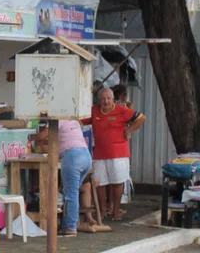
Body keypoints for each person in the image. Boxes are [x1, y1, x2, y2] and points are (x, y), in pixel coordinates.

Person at [87, 86, 146, 221]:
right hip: (100, 153)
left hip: (119, 152)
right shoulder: (94, 111)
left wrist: (129, 131)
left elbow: (142, 118)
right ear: (99, 100)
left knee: (117, 181)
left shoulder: (122, 110)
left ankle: (116, 211)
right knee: (99, 182)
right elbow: (80, 119)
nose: (106, 101)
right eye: (103, 99)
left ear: (113, 99)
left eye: (108, 98)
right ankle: (102, 210)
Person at [35, 118, 92, 236]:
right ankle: (70, 223)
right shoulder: (73, 120)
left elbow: (42, 136)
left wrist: (31, 137)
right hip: (86, 156)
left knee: (71, 194)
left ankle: (70, 227)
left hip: (72, 157)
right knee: (71, 192)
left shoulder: (58, 120)